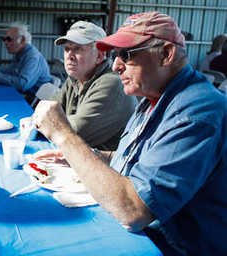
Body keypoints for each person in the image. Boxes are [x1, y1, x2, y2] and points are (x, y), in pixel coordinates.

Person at [33, 11, 227, 255]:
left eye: (126, 54)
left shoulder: (197, 113)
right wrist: (90, 157)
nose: (115, 65)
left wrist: (64, 136)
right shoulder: (153, 95)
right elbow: (141, 158)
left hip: (171, 246)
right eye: (115, 55)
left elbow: (133, 211)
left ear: (166, 54)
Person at [51, 21, 137, 150]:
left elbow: (74, 134)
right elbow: (49, 108)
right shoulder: (75, 78)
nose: (69, 56)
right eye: (67, 49)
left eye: (78, 49)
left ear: (99, 56)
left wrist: (48, 121)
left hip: (108, 165)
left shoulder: (112, 83)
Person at [0, 23, 53, 100]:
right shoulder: (20, 53)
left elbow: (22, 84)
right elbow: (11, 70)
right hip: (25, 95)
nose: (5, 43)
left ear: (22, 40)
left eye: (9, 39)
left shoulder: (32, 57)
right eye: (4, 39)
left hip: (33, 100)